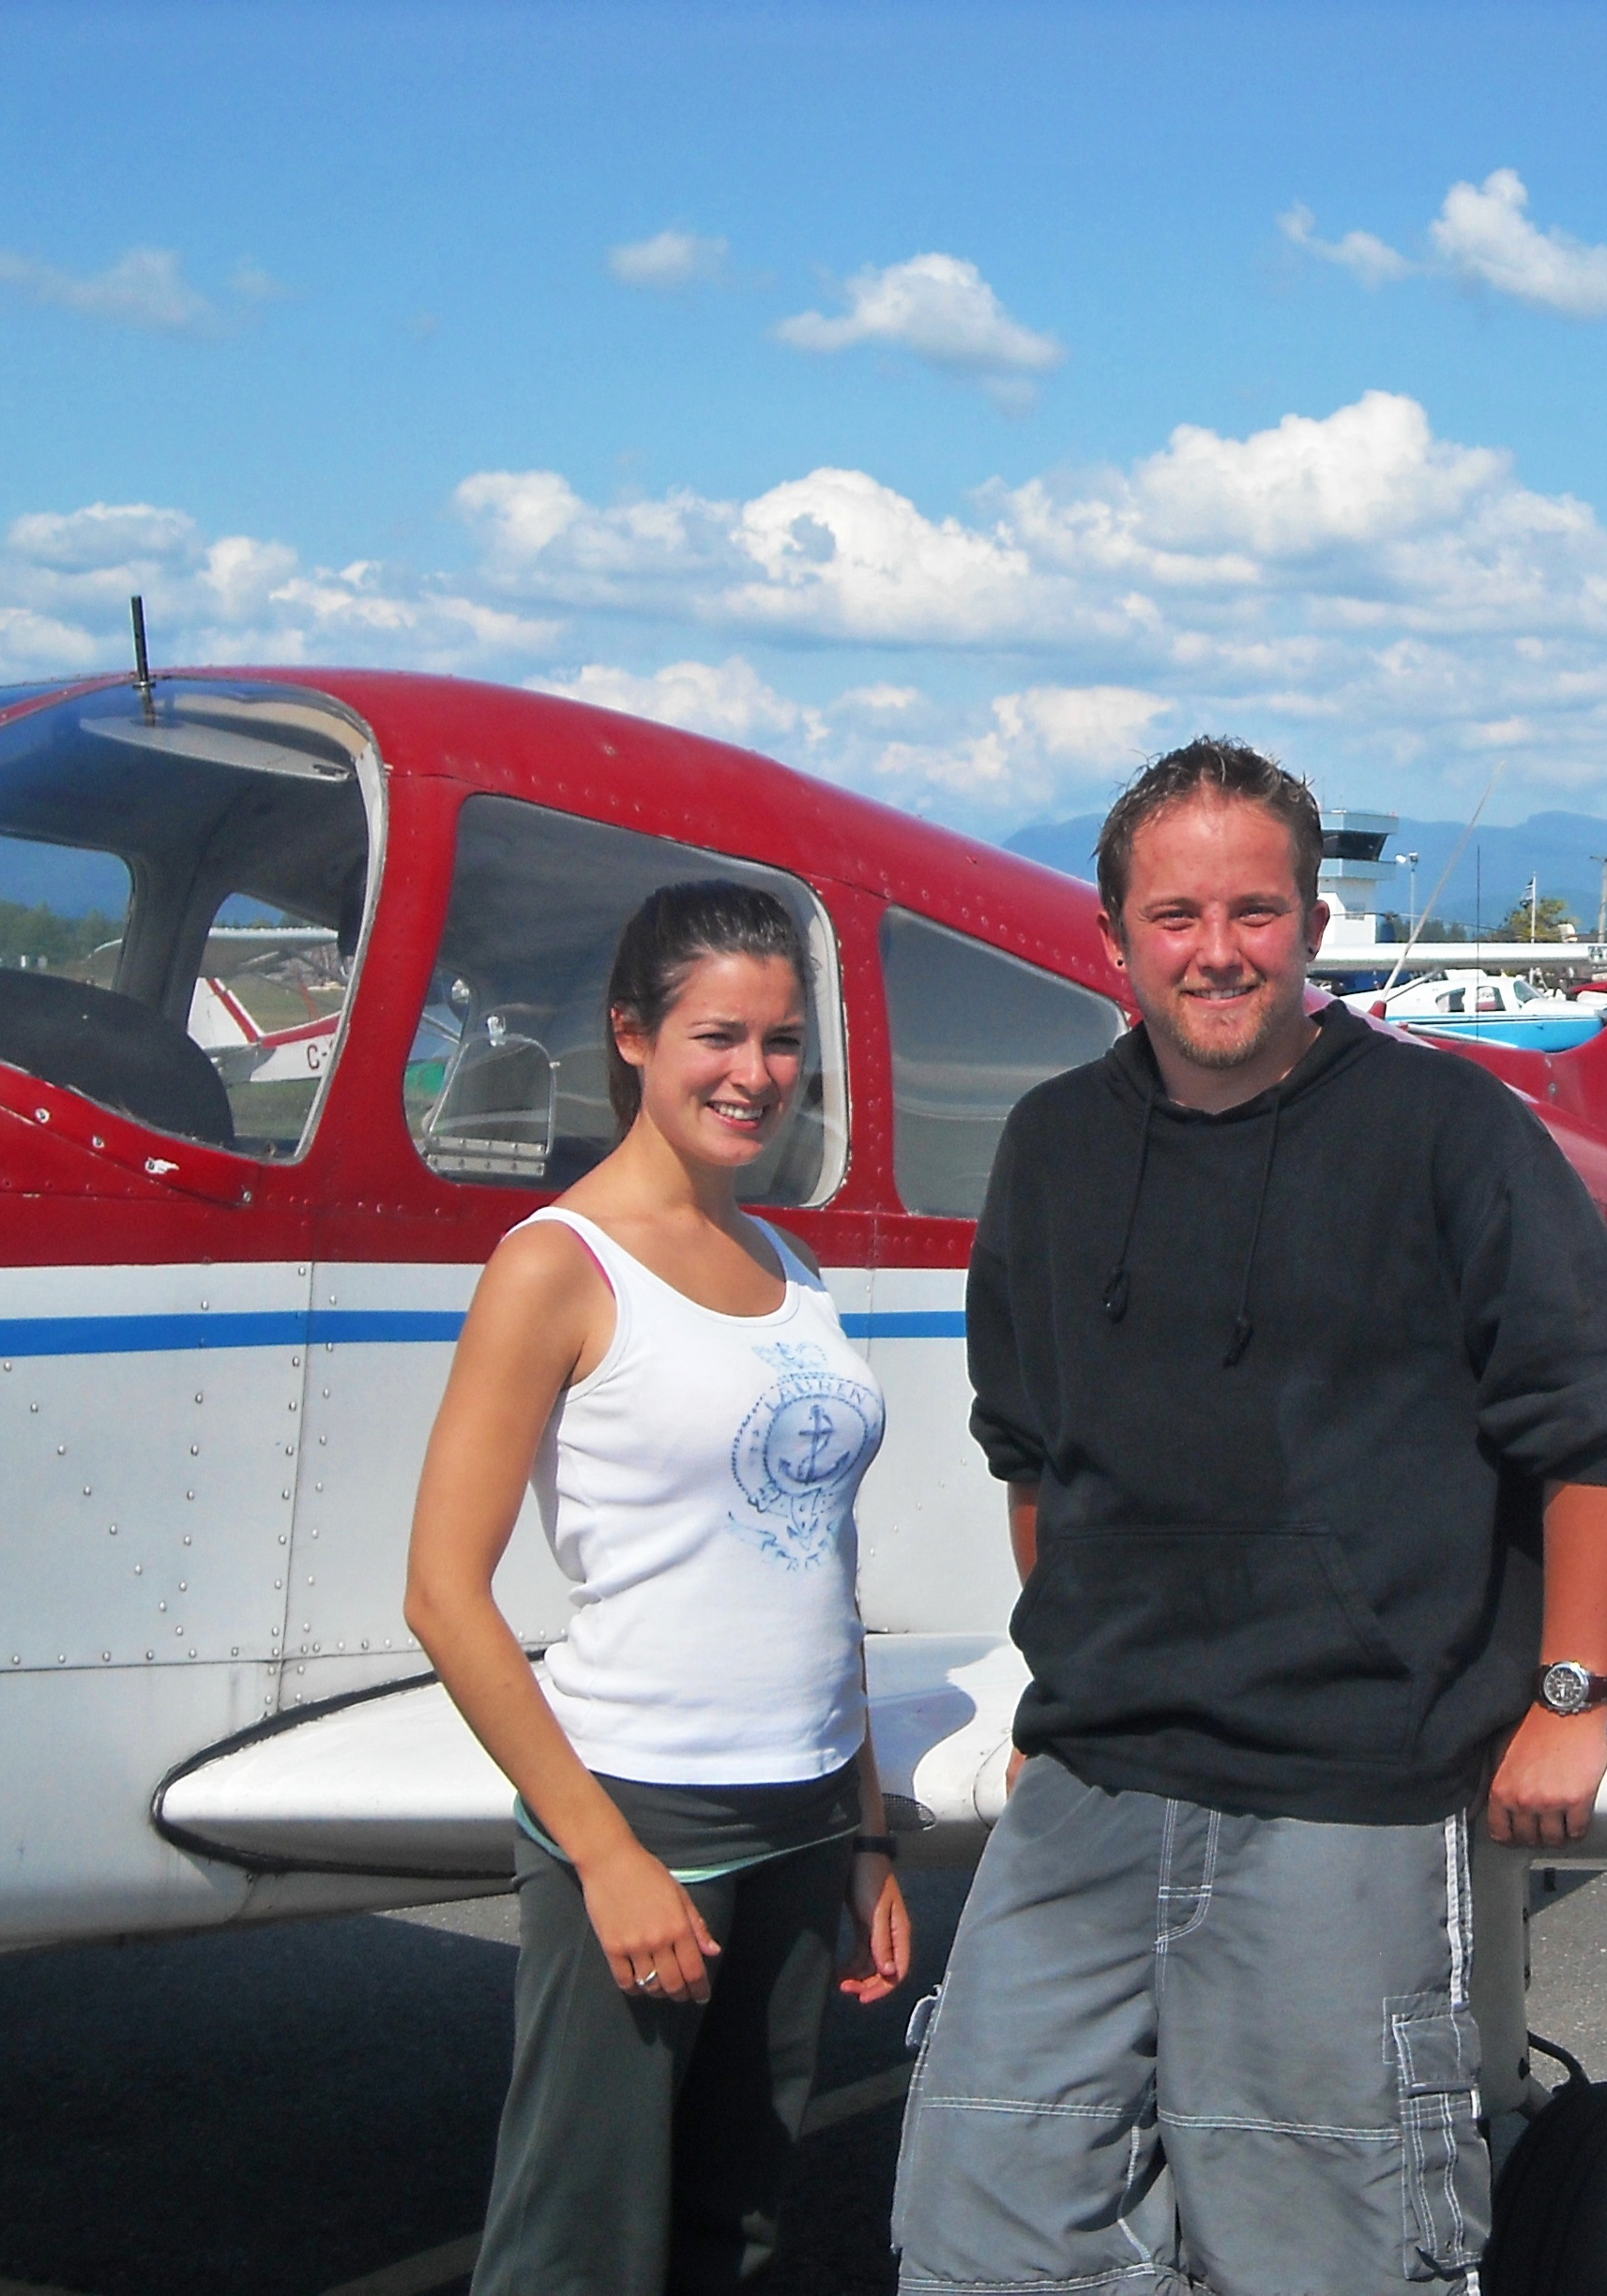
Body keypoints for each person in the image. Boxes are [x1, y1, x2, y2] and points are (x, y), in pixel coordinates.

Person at [890, 738, 1607, 2294]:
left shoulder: (1451, 1134)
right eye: (1175, 916)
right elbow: (1031, 1456)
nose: (1218, 950)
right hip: (1096, 1780)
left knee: (1332, 2245)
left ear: (1313, 927)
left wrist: (1568, 1699)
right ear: (1115, 937)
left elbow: (1594, 1431)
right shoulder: (1052, 1146)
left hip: (1349, 1789)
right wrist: (1073, 1679)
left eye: (1256, 910)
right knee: (983, 2220)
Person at [404, 880, 914, 2296]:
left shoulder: (787, 1265)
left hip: (807, 1816)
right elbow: (444, 1593)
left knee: (735, 2230)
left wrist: (864, 1836)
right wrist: (605, 1858)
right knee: (580, 2240)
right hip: (644, 1815)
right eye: (717, 1037)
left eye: (782, 1043)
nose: (754, 1077)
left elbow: (823, 1565)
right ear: (631, 1035)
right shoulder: (555, 1269)